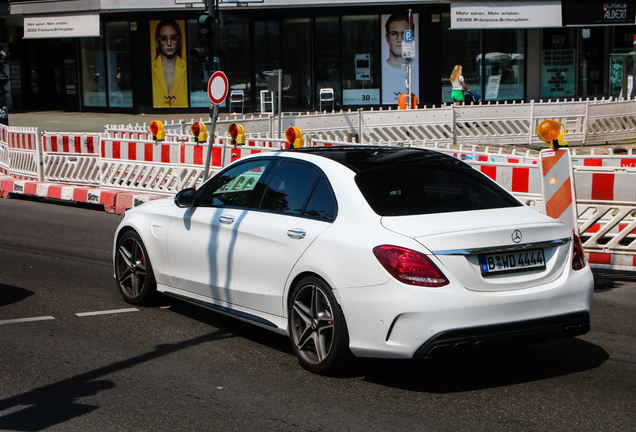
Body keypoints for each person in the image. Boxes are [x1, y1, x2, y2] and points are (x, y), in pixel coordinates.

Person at [382, 14, 419, 105]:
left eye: (404, 34)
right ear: (387, 38)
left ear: (412, 37)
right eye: (394, 34)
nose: (399, 39)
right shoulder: (380, 68)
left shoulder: (420, 67)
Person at [152, 20, 188, 108]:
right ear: (158, 41)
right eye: (164, 39)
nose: (169, 44)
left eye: (173, 38)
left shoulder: (186, 67)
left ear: (179, 39)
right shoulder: (151, 68)